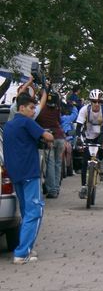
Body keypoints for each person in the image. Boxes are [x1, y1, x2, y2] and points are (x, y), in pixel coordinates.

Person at [3, 92, 54, 264]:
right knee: (35, 211)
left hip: (15, 175)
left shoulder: (8, 125)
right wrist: (48, 135)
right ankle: (22, 252)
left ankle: (27, 247)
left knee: (26, 212)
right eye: (32, 108)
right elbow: (47, 136)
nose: (34, 111)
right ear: (22, 108)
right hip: (29, 174)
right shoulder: (26, 122)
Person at [75, 89, 103, 198]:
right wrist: (78, 138)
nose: (96, 104)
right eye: (94, 101)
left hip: (101, 134)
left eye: (99, 102)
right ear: (91, 101)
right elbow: (79, 126)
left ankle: (101, 163)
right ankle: (83, 187)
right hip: (88, 135)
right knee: (85, 161)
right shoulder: (84, 110)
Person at [35, 85, 65, 198]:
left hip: (49, 139)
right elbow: (59, 121)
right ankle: (56, 188)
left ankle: (52, 190)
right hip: (60, 137)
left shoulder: (40, 110)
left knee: (50, 165)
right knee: (58, 164)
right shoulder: (57, 109)